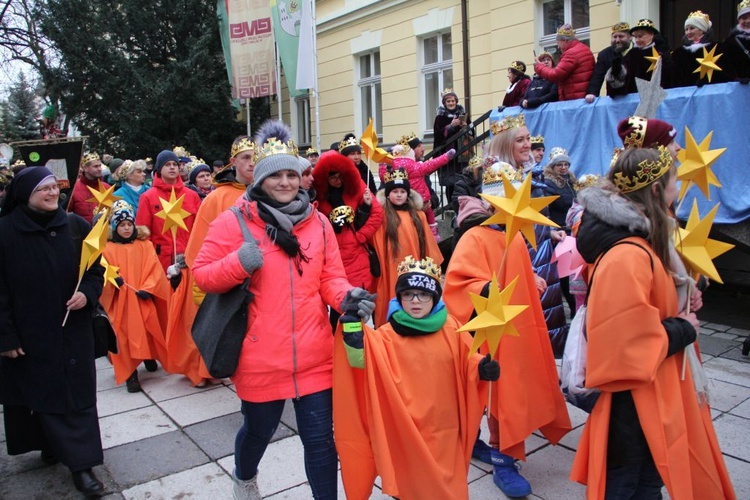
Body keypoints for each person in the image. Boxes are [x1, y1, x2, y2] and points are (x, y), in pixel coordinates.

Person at [192, 120, 375, 500]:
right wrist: (239, 263)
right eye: (276, 175)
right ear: (259, 180)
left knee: (321, 441)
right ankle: (244, 477)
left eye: (293, 174)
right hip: (260, 355)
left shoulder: (319, 222)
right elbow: (203, 275)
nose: (286, 182)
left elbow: (330, 279)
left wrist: (348, 298)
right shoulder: (233, 222)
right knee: (258, 431)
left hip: (314, 354)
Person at [570, 146, 735, 499]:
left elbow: (648, 299)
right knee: (632, 484)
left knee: (648, 479)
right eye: (675, 180)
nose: (679, 188)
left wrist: (685, 292)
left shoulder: (639, 240)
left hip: (650, 389)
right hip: (633, 403)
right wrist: (684, 327)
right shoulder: (627, 254)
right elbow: (624, 343)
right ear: (657, 191)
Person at [443, 154, 572, 497]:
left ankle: (498, 448)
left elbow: (513, 272)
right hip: (489, 330)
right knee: (492, 390)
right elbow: (457, 282)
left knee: (515, 387)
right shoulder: (474, 237)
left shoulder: (514, 236)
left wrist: (530, 280)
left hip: (519, 326)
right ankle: (494, 453)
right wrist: (485, 288)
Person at [335, 255, 498, 500]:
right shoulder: (387, 335)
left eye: (423, 294)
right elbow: (362, 361)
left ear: (434, 297)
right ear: (399, 298)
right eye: (408, 294)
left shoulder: (452, 328)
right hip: (406, 428)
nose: (415, 301)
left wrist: (482, 368)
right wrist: (351, 328)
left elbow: (468, 361)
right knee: (411, 485)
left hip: (445, 428)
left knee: (448, 486)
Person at [0, 167, 106, 497]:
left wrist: (87, 293)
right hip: (30, 334)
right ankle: (51, 443)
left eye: (53, 187)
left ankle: (82, 465)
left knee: (77, 396)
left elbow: (96, 269)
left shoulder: (74, 225)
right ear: (23, 195)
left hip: (73, 330)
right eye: (41, 189)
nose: (50, 193)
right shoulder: (4, 233)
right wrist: (6, 336)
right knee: (42, 394)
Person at [100, 201, 170, 393]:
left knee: (148, 329)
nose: (126, 228)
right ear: (114, 227)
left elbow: (154, 269)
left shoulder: (145, 245)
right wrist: (113, 280)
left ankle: (149, 355)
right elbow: (103, 272)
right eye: (121, 225)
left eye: (129, 224)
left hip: (142, 297)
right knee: (124, 336)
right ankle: (131, 373)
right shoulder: (107, 249)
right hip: (121, 301)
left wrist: (149, 288)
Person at [311, 151, 384, 328]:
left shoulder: (358, 187)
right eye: (332, 177)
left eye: (340, 176)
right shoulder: (318, 197)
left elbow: (377, 213)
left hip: (358, 256)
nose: (338, 180)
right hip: (334, 258)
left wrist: (360, 236)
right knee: (338, 308)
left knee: (361, 306)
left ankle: (365, 345)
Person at [371, 166, 442, 327]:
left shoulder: (419, 215)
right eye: (395, 191)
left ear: (408, 194)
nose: (399, 195)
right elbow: (373, 239)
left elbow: (428, 244)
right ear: (388, 194)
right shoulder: (381, 216)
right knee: (392, 296)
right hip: (390, 266)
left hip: (414, 266)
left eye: (402, 191)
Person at [380, 133, 455, 240]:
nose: (423, 149)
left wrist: (429, 203)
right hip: (402, 221)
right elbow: (385, 197)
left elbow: (434, 196)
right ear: (410, 151)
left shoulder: (418, 168)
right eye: (419, 146)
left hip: (422, 218)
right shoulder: (402, 169)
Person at [135, 149, 201, 272]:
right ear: (159, 169)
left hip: (189, 258)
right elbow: (143, 233)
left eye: (174, 164)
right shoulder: (148, 197)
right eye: (167, 164)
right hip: (161, 260)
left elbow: (199, 229)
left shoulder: (192, 196)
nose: (172, 168)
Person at [543, 147, 578, 316]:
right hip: (559, 233)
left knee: (573, 270)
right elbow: (547, 209)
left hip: (571, 232)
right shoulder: (549, 183)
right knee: (565, 273)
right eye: (559, 165)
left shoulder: (571, 181)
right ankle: (571, 307)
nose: (563, 167)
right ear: (553, 166)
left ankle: (574, 306)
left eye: (566, 164)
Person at [672, 11, 735, 87]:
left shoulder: (718, 48)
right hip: (687, 96)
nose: (688, 32)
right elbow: (673, 78)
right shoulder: (679, 53)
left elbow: (726, 74)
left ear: (702, 30)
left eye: (692, 28)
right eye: (686, 29)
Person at [532, 24, 595, 101]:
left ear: (565, 40)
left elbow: (556, 75)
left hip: (574, 99)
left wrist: (539, 67)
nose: (558, 47)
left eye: (558, 43)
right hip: (583, 97)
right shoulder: (584, 48)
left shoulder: (571, 53)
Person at [612, 19, 672, 94]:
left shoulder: (661, 51)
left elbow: (668, 74)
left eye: (640, 36)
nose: (637, 40)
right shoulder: (632, 54)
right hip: (636, 96)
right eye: (635, 37)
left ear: (651, 35)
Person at [432, 88, 467, 204]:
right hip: (448, 156)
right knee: (450, 182)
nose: (451, 103)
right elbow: (437, 136)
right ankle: (451, 206)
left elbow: (471, 133)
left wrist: (466, 127)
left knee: (463, 181)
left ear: (456, 101)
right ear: (444, 103)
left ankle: (462, 204)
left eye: (453, 101)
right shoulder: (440, 118)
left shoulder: (462, 115)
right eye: (448, 101)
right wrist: (450, 126)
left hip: (462, 155)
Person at [585, 22, 633, 103]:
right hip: (615, 100)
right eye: (614, 37)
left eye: (621, 36)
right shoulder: (604, 55)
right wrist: (592, 93)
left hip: (635, 97)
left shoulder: (637, 51)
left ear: (630, 37)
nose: (617, 40)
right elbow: (597, 76)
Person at [68, 152, 110, 223]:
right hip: (82, 232)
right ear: (85, 168)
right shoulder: (74, 189)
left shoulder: (107, 187)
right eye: (96, 166)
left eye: (100, 166)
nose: (99, 169)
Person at [723, 1, 750, 80]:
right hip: (741, 88)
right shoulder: (730, 42)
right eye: (744, 18)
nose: (748, 21)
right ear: (739, 20)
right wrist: (736, 79)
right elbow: (725, 67)